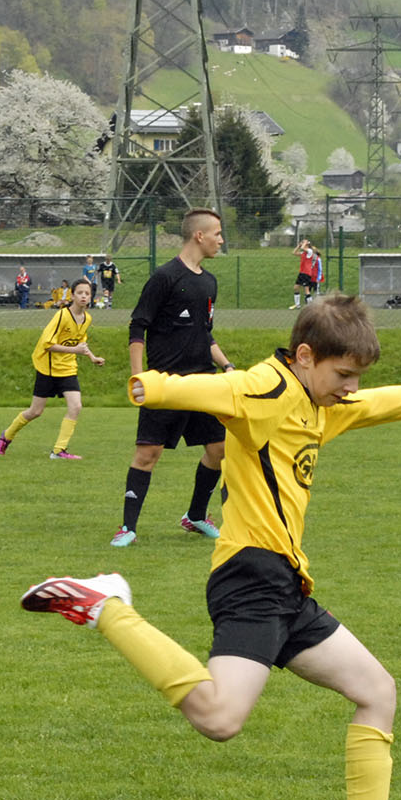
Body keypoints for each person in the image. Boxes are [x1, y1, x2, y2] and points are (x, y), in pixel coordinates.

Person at [23, 294, 401, 800]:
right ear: (305, 356)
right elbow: (223, 389)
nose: (351, 387)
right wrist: (153, 387)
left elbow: (377, 404)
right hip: (251, 576)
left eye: (356, 376)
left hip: (286, 583)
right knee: (220, 718)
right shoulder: (270, 387)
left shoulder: (320, 404)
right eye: (343, 374)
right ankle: (108, 605)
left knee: (378, 692)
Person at [112, 208, 235, 548]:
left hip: (203, 382)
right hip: (164, 384)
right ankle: (128, 528)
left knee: (220, 449)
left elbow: (204, 334)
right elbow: (138, 326)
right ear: (199, 235)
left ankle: (195, 516)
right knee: (148, 454)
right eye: (217, 234)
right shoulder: (164, 277)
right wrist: (139, 378)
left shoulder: (209, 282)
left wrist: (227, 365)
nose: (221, 240)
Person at [0, 278, 105, 461]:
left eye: (87, 293)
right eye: (80, 293)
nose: (84, 296)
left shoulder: (87, 318)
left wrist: (92, 357)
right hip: (48, 368)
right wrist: (75, 350)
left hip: (67, 368)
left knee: (76, 406)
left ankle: (59, 451)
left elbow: (80, 342)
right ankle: (6, 436)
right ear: (72, 295)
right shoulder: (62, 316)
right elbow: (47, 344)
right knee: (35, 411)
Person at [292, 239, 320, 309]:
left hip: (306, 273)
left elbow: (302, 248)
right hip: (301, 273)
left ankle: (311, 306)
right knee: (296, 287)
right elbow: (294, 253)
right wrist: (298, 246)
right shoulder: (303, 252)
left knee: (306, 290)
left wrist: (304, 243)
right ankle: (297, 305)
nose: (301, 243)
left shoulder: (310, 251)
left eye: (303, 242)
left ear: (307, 244)